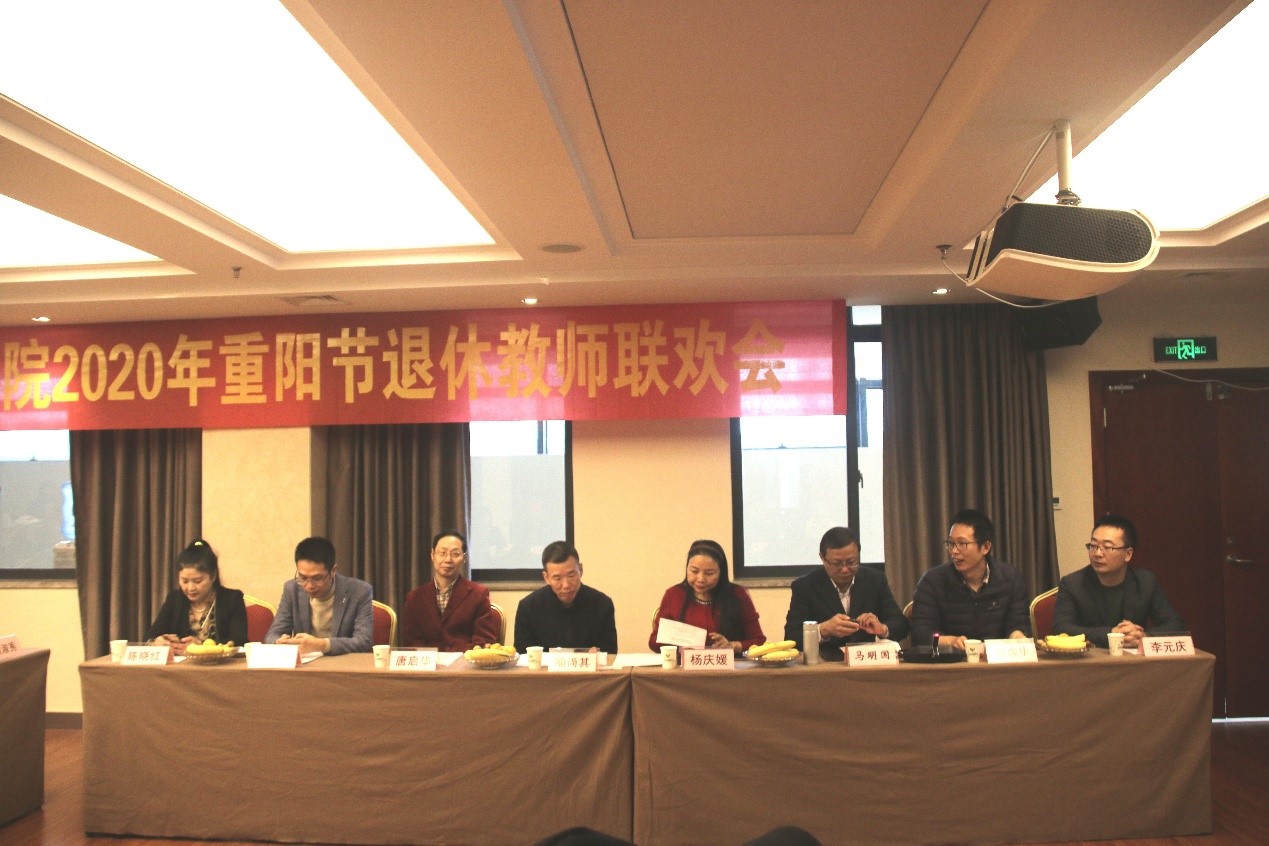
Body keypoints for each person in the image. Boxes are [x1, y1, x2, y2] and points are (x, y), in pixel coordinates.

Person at [1052, 515, 1184, 649]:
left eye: (1107, 547)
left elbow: (1175, 624)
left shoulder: (1146, 582)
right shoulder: (1072, 584)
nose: (1097, 553)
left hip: (1134, 658)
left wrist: (1144, 637)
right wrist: (1111, 634)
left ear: (1128, 554)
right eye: (1093, 546)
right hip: (1093, 657)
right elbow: (1061, 628)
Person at [910, 509, 1030, 650]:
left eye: (962, 544)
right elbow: (921, 634)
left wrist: (1017, 635)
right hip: (953, 660)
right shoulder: (932, 582)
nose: (954, 551)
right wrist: (951, 641)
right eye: (951, 543)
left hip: (995, 660)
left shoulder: (1010, 579)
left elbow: (1019, 624)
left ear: (985, 547)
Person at [783, 526, 908, 661]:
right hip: (825, 663)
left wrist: (882, 629)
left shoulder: (875, 580)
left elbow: (901, 624)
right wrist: (823, 630)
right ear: (822, 558)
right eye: (837, 564)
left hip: (865, 661)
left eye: (851, 562)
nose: (844, 570)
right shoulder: (805, 586)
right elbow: (791, 637)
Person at [649, 539, 765, 653]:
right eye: (694, 571)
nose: (701, 579)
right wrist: (675, 641)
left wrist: (732, 645)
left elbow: (759, 641)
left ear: (721, 573)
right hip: (684, 664)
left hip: (728, 664)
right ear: (687, 568)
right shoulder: (674, 595)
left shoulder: (737, 594)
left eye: (709, 573)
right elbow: (653, 642)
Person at [264, 536, 374, 654]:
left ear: (333, 570)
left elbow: (364, 641)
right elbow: (272, 635)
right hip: (306, 662)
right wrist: (278, 642)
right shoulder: (292, 589)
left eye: (317, 578)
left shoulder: (360, 591)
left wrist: (322, 645)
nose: (309, 585)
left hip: (342, 662)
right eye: (303, 577)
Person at [401, 530, 501, 650]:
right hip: (429, 661)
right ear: (432, 555)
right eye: (442, 553)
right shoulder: (415, 598)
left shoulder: (478, 594)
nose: (448, 559)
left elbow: (484, 640)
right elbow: (411, 642)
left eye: (455, 554)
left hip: (465, 660)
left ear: (464, 558)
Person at [514, 541, 618, 653]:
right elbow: (522, 654)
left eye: (571, 575)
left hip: (589, 665)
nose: (566, 585)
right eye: (557, 578)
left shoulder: (602, 604)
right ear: (546, 577)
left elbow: (610, 652)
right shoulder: (528, 607)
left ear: (580, 570)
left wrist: (599, 654)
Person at [146, 538, 248, 654]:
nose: (190, 588)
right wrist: (157, 640)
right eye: (184, 581)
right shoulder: (174, 599)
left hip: (221, 664)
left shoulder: (232, 599)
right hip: (181, 664)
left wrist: (202, 645)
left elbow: (239, 641)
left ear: (213, 576)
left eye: (197, 581)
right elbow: (151, 635)